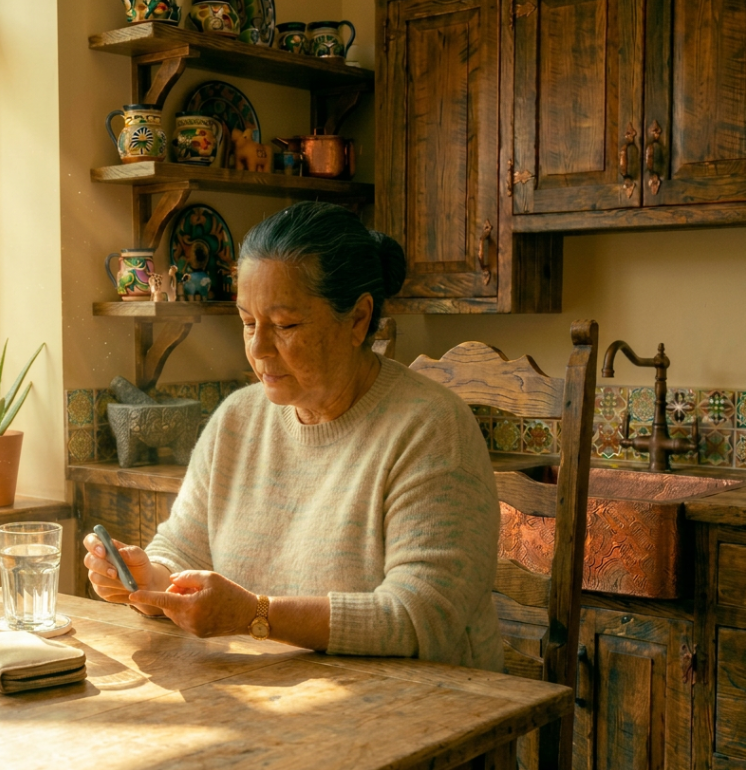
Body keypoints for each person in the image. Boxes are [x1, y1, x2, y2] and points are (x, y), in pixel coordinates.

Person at [83, 201, 503, 670]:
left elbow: (419, 616)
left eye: (285, 325)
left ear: (358, 319)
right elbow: (180, 549)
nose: (258, 349)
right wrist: (148, 580)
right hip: (277, 702)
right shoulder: (237, 419)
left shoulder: (431, 428)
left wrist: (256, 617)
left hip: (429, 710)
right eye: (247, 322)